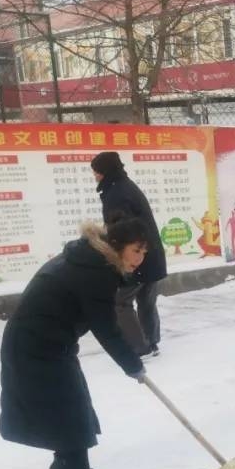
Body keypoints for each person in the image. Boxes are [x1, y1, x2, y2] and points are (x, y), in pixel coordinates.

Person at [0, 219, 150, 469]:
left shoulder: (90, 257)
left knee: (65, 404)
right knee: (73, 406)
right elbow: (107, 329)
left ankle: (66, 463)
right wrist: (134, 366)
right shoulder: (97, 272)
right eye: (136, 251)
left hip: (42, 339)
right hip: (36, 343)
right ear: (117, 246)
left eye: (144, 252)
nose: (140, 259)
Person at [91, 151, 167, 357]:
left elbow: (122, 231)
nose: (95, 176)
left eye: (97, 171)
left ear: (105, 171)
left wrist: (119, 258)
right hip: (150, 254)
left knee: (120, 302)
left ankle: (139, 347)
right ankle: (151, 342)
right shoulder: (126, 186)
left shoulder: (116, 194)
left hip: (136, 258)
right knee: (146, 300)